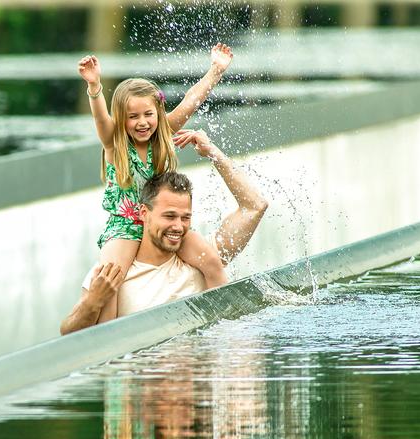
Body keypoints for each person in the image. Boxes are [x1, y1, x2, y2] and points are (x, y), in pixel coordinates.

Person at [78, 43, 234, 324]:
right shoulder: (116, 145)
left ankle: (222, 321)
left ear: (158, 113)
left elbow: (190, 102)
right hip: (126, 226)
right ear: (122, 119)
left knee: (211, 260)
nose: (142, 122)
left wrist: (216, 71)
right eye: (133, 116)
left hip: (161, 221)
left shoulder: (163, 134)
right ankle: (110, 344)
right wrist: (94, 87)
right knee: (111, 279)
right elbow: (101, 118)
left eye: (148, 114)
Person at [60, 129, 268, 335]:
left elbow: (255, 206)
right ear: (143, 212)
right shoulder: (114, 270)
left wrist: (213, 152)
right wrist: (93, 302)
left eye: (185, 217)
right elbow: (67, 334)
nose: (178, 226)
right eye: (169, 216)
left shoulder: (203, 257)